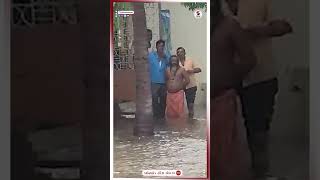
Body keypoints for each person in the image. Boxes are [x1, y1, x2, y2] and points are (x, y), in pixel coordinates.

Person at [224, 0, 293, 179]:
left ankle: (261, 173)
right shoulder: (214, 6)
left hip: (260, 74)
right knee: (221, 129)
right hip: (224, 76)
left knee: (258, 131)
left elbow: (283, 26)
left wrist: (247, 32)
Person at [212, 0, 257, 179]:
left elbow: (250, 59)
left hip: (223, 98)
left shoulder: (230, 26)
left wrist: (228, 77)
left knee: (226, 156)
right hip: (205, 103)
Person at [148, 40, 171, 123]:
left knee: (163, 99)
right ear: (157, 47)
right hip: (153, 81)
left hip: (163, 82)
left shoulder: (166, 56)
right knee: (154, 98)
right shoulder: (151, 56)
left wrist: (166, 57)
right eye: (160, 46)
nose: (161, 47)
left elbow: (171, 64)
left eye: (162, 46)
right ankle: (156, 115)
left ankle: (161, 116)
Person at [176, 47, 201, 120]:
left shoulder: (190, 60)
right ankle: (179, 122)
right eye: (178, 52)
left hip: (191, 85)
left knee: (190, 105)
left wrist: (191, 71)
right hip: (179, 86)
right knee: (178, 105)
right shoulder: (175, 62)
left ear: (185, 53)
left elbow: (199, 69)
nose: (180, 53)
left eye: (181, 52)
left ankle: (191, 121)